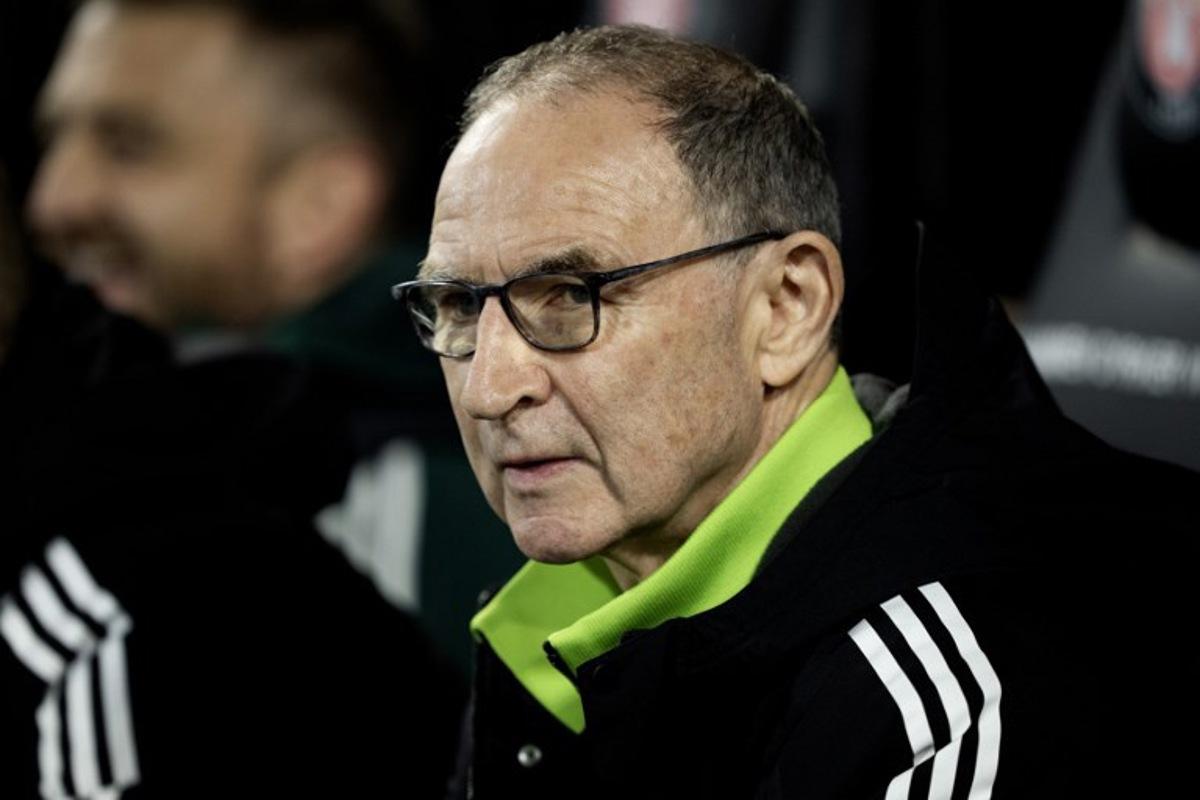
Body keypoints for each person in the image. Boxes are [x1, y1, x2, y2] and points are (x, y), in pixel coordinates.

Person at [392, 25, 1198, 798]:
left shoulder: (954, 699)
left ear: (786, 308)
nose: (491, 389)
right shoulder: (554, 612)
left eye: (571, 295)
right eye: (459, 305)